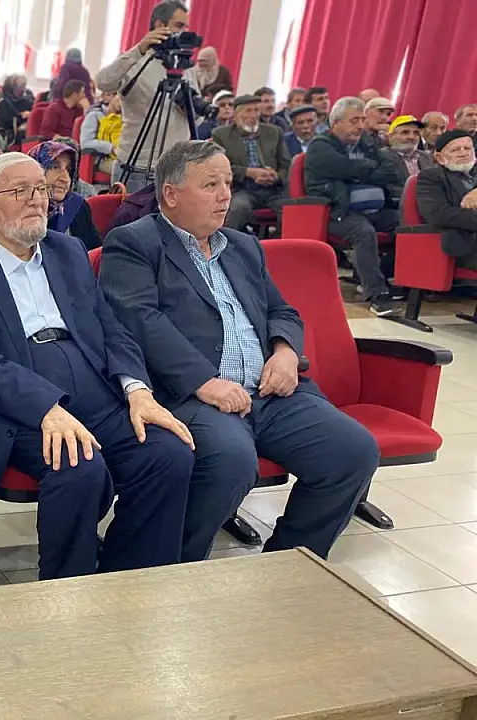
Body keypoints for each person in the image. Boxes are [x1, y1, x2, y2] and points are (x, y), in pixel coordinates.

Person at [99, 140, 378, 562]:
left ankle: (287, 564)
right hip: (192, 395)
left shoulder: (242, 246)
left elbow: (281, 310)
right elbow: (139, 320)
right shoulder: (134, 242)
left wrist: (285, 351)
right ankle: (168, 568)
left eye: (228, 183)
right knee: (231, 462)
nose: (225, 195)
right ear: (170, 194)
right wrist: (204, 381)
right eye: (210, 184)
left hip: (268, 392)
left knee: (353, 451)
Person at [0, 151, 194, 578]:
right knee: (79, 467)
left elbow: (109, 326)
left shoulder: (68, 250)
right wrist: (47, 409)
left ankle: (131, 577)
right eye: (20, 191)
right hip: (19, 407)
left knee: (168, 456)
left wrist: (137, 390)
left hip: (95, 388)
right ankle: (66, 589)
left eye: (40, 188)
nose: (37, 199)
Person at [304, 96, 401, 315]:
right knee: (363, 232)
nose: (359, 126)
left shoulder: (367, 143)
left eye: (362, 120)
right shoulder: (321, 145)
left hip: (375, 209)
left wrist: (359, 171)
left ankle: (379, 275)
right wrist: (366, 169)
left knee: (407, 226)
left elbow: (391, 171)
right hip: (337, 210)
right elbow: (343, 168)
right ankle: (377, 296)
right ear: (336, 122)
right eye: (354, 121)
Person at [97, 0, 194, 190]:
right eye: (179, 26)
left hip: (176, 169)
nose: (183, 32)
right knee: (130, 211)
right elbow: (104, 82)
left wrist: (190, 109)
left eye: (186, 27)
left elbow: (195, 115)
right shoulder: (137, 61)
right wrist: (139, 49)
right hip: (137, 167)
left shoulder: (185, 66)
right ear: (160, 25)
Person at [211, 94, 290, 232]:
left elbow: (286, 164)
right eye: (248, 111)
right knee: (239, 208)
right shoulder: (221, 135)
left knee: (290, 211)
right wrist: (248, 172)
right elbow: (219, 168)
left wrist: (276, 176)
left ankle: (279, 242)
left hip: (272, 189)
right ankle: (223, 242)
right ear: (236, 115)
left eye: (256, 110)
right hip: (242, 188)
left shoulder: (274, 132)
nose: (253, 115)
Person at [416, 130, 477, 269]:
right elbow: (438, 214)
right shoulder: (431, 177)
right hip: (465, 242)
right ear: (439, 157)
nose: (463, 153)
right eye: (455, 150)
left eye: (467, 148)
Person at [29, 141, 101, 249]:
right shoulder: (22, 209)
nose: (65, 178)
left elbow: (94, 253)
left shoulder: (77, 206)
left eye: (69, 169)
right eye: (54, 167)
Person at [381, 115, 434, 205]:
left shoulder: (426, 156)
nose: (411, 137)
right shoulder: (383, 156)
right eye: (405, 132)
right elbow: (389, 188)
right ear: (391, 136)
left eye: (416, 133)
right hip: (400, 205)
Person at [81, 91, 123, 176]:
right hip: (102, 159)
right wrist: (110, 148)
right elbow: (85, 142)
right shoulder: (94, 115)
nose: (121, 102)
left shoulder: (126, 117)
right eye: (119, 98)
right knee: (122, 170)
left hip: (121, 156)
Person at [0, 74, 35, 146]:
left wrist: (30, 114)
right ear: (11, 88)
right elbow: (5, 123)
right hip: (11, 137)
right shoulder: (3, 103)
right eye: (20, 87)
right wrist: (22, 116)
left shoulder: (28, 100)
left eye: (24, 86)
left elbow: (35, 114)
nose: (23, 89)